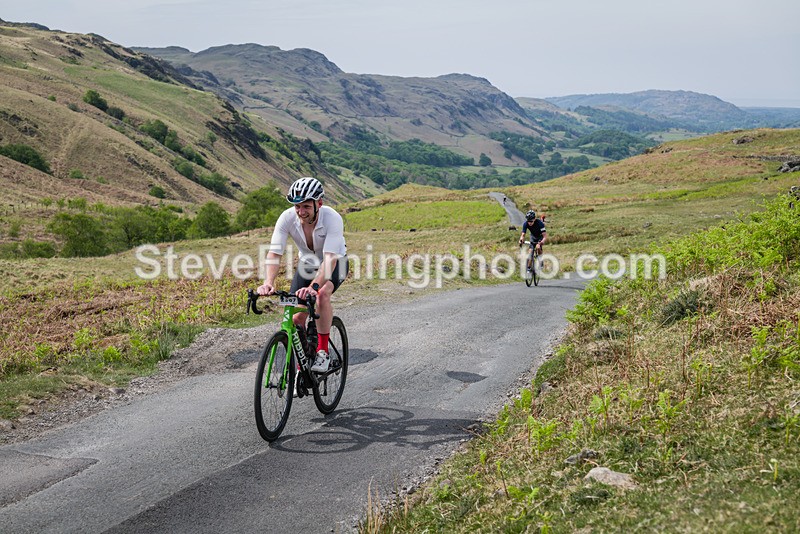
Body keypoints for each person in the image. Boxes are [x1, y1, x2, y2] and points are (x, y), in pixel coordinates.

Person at [257, 177, 348, 373]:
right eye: (297, 206)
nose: (301, 211)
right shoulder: (287, 218)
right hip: (308, 263)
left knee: (322, 295)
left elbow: (329, 260)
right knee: (296, 318)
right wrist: (268, 282)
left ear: (319, 203)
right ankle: (303, 362)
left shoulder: (332, 218)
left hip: (335, 261)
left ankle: (323, 352)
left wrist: (313, 287)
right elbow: (274, 253)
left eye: (306, 206)